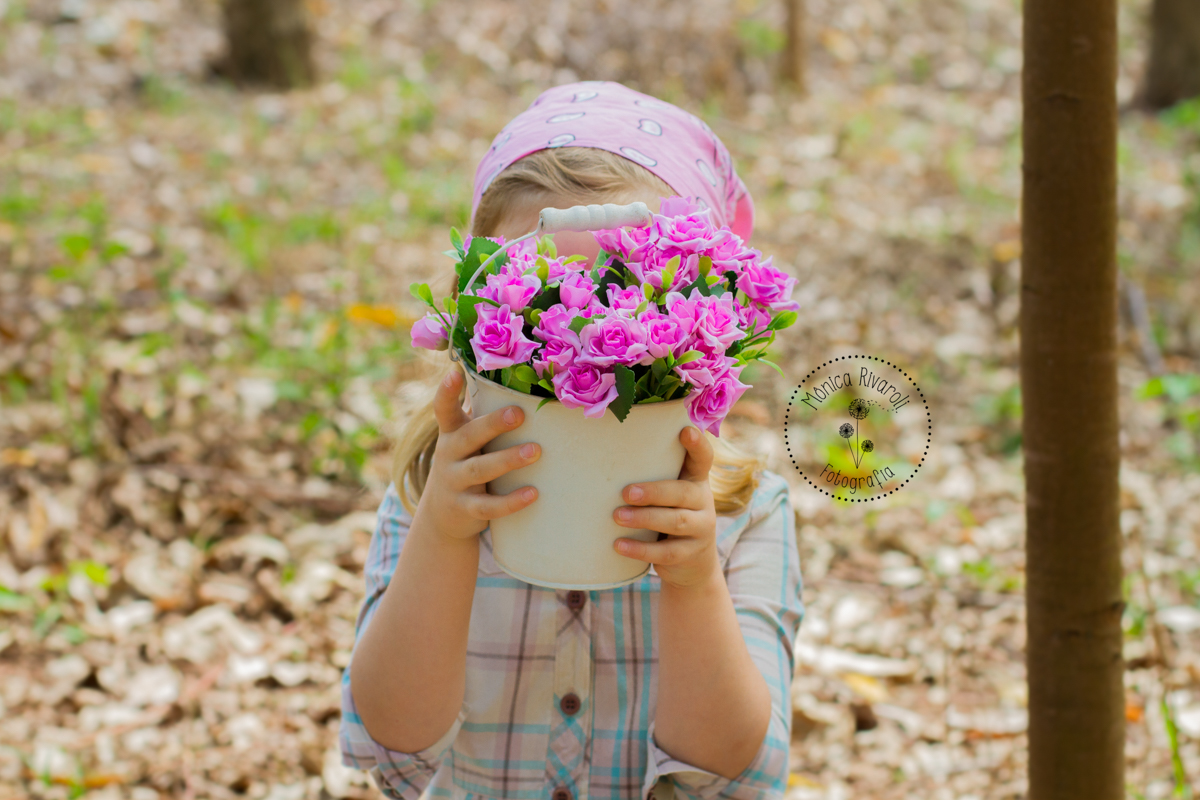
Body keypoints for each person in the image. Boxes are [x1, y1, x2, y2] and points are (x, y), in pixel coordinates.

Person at [339, 81, 804, 800]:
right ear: (475, 316)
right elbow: (393, 742)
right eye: (542, 307)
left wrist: (693, 580)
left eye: (623, 298)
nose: (580, 359)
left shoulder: (749, 516)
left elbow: (728, 768)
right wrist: (444, 535)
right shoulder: (435, 492)